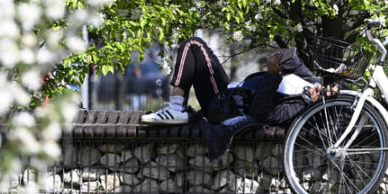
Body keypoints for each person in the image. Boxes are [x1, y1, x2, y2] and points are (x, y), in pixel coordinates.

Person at [140, 37, 334, 126]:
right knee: (193, 45)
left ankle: (176, 107)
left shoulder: (299, 106)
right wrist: (283, 56)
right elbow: (295, 62)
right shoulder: (309, 82)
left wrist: (273, 75)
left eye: (328, 93)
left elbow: (263, 113)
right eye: (329, 88)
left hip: (223, 104)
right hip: (231, 92)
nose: (324, 90)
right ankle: (176, 108)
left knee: (194, 45)